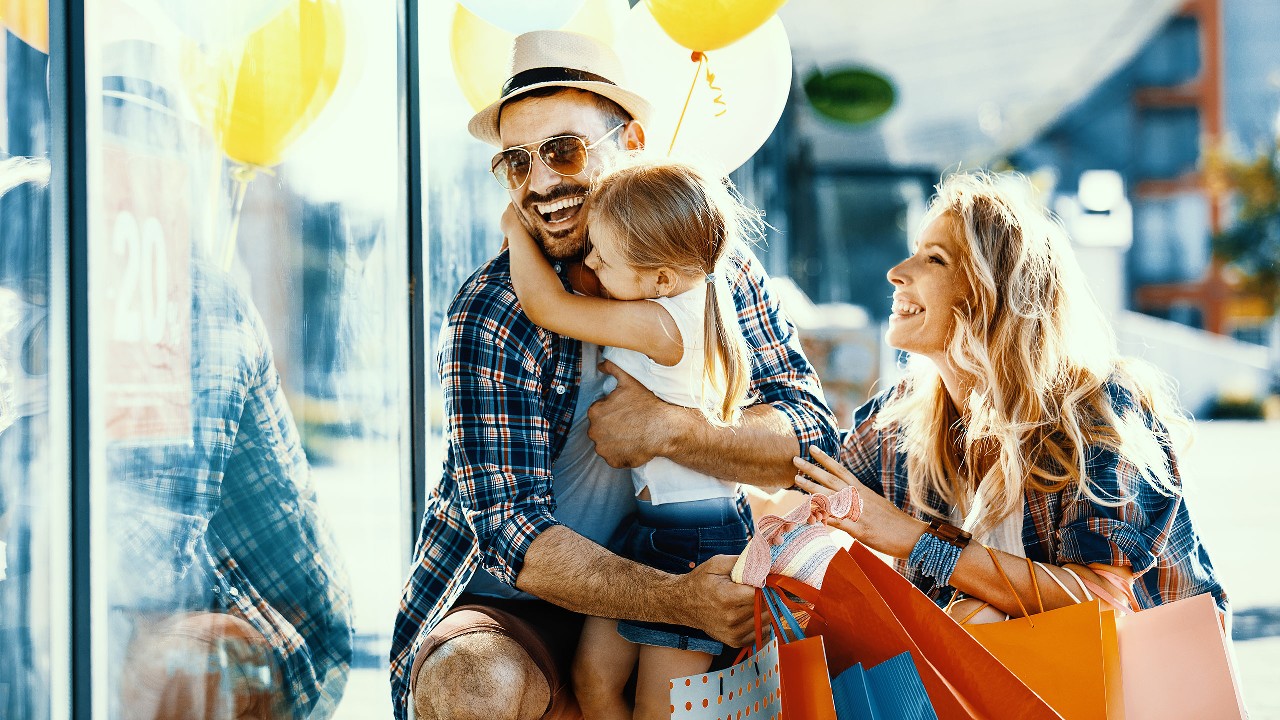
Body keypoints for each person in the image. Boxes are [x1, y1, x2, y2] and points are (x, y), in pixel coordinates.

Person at [391, 30, 838, 720]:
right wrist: (676, 597)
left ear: (630, 143)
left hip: (682, 553)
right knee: (471, 683)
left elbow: (812, 443)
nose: (539, 184)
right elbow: (513, 536)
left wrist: (673, 430)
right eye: (514, 163)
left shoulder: (715, 275)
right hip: (519, 606)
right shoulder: (491, 311)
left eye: (563, 150)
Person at [793, 170, 1228, 621]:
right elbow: (811, 486)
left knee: (973, 618)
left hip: (1137, 683)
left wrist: (915, 540)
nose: (897, 273)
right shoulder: (904, 417)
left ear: (990, 294)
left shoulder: (1095, 411)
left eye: (934, 259)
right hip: (1010, 681)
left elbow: (1104, 605)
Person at [501, 157, 760, 719]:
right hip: (648, 529)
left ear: (662, 279)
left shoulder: (663, 324)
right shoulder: (666, 296)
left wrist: (514, 233)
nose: (590, 261)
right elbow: (595, 284)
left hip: (697, 540)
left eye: (603, 255)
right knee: (592, 682)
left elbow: (548, 306)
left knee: (657, 709)